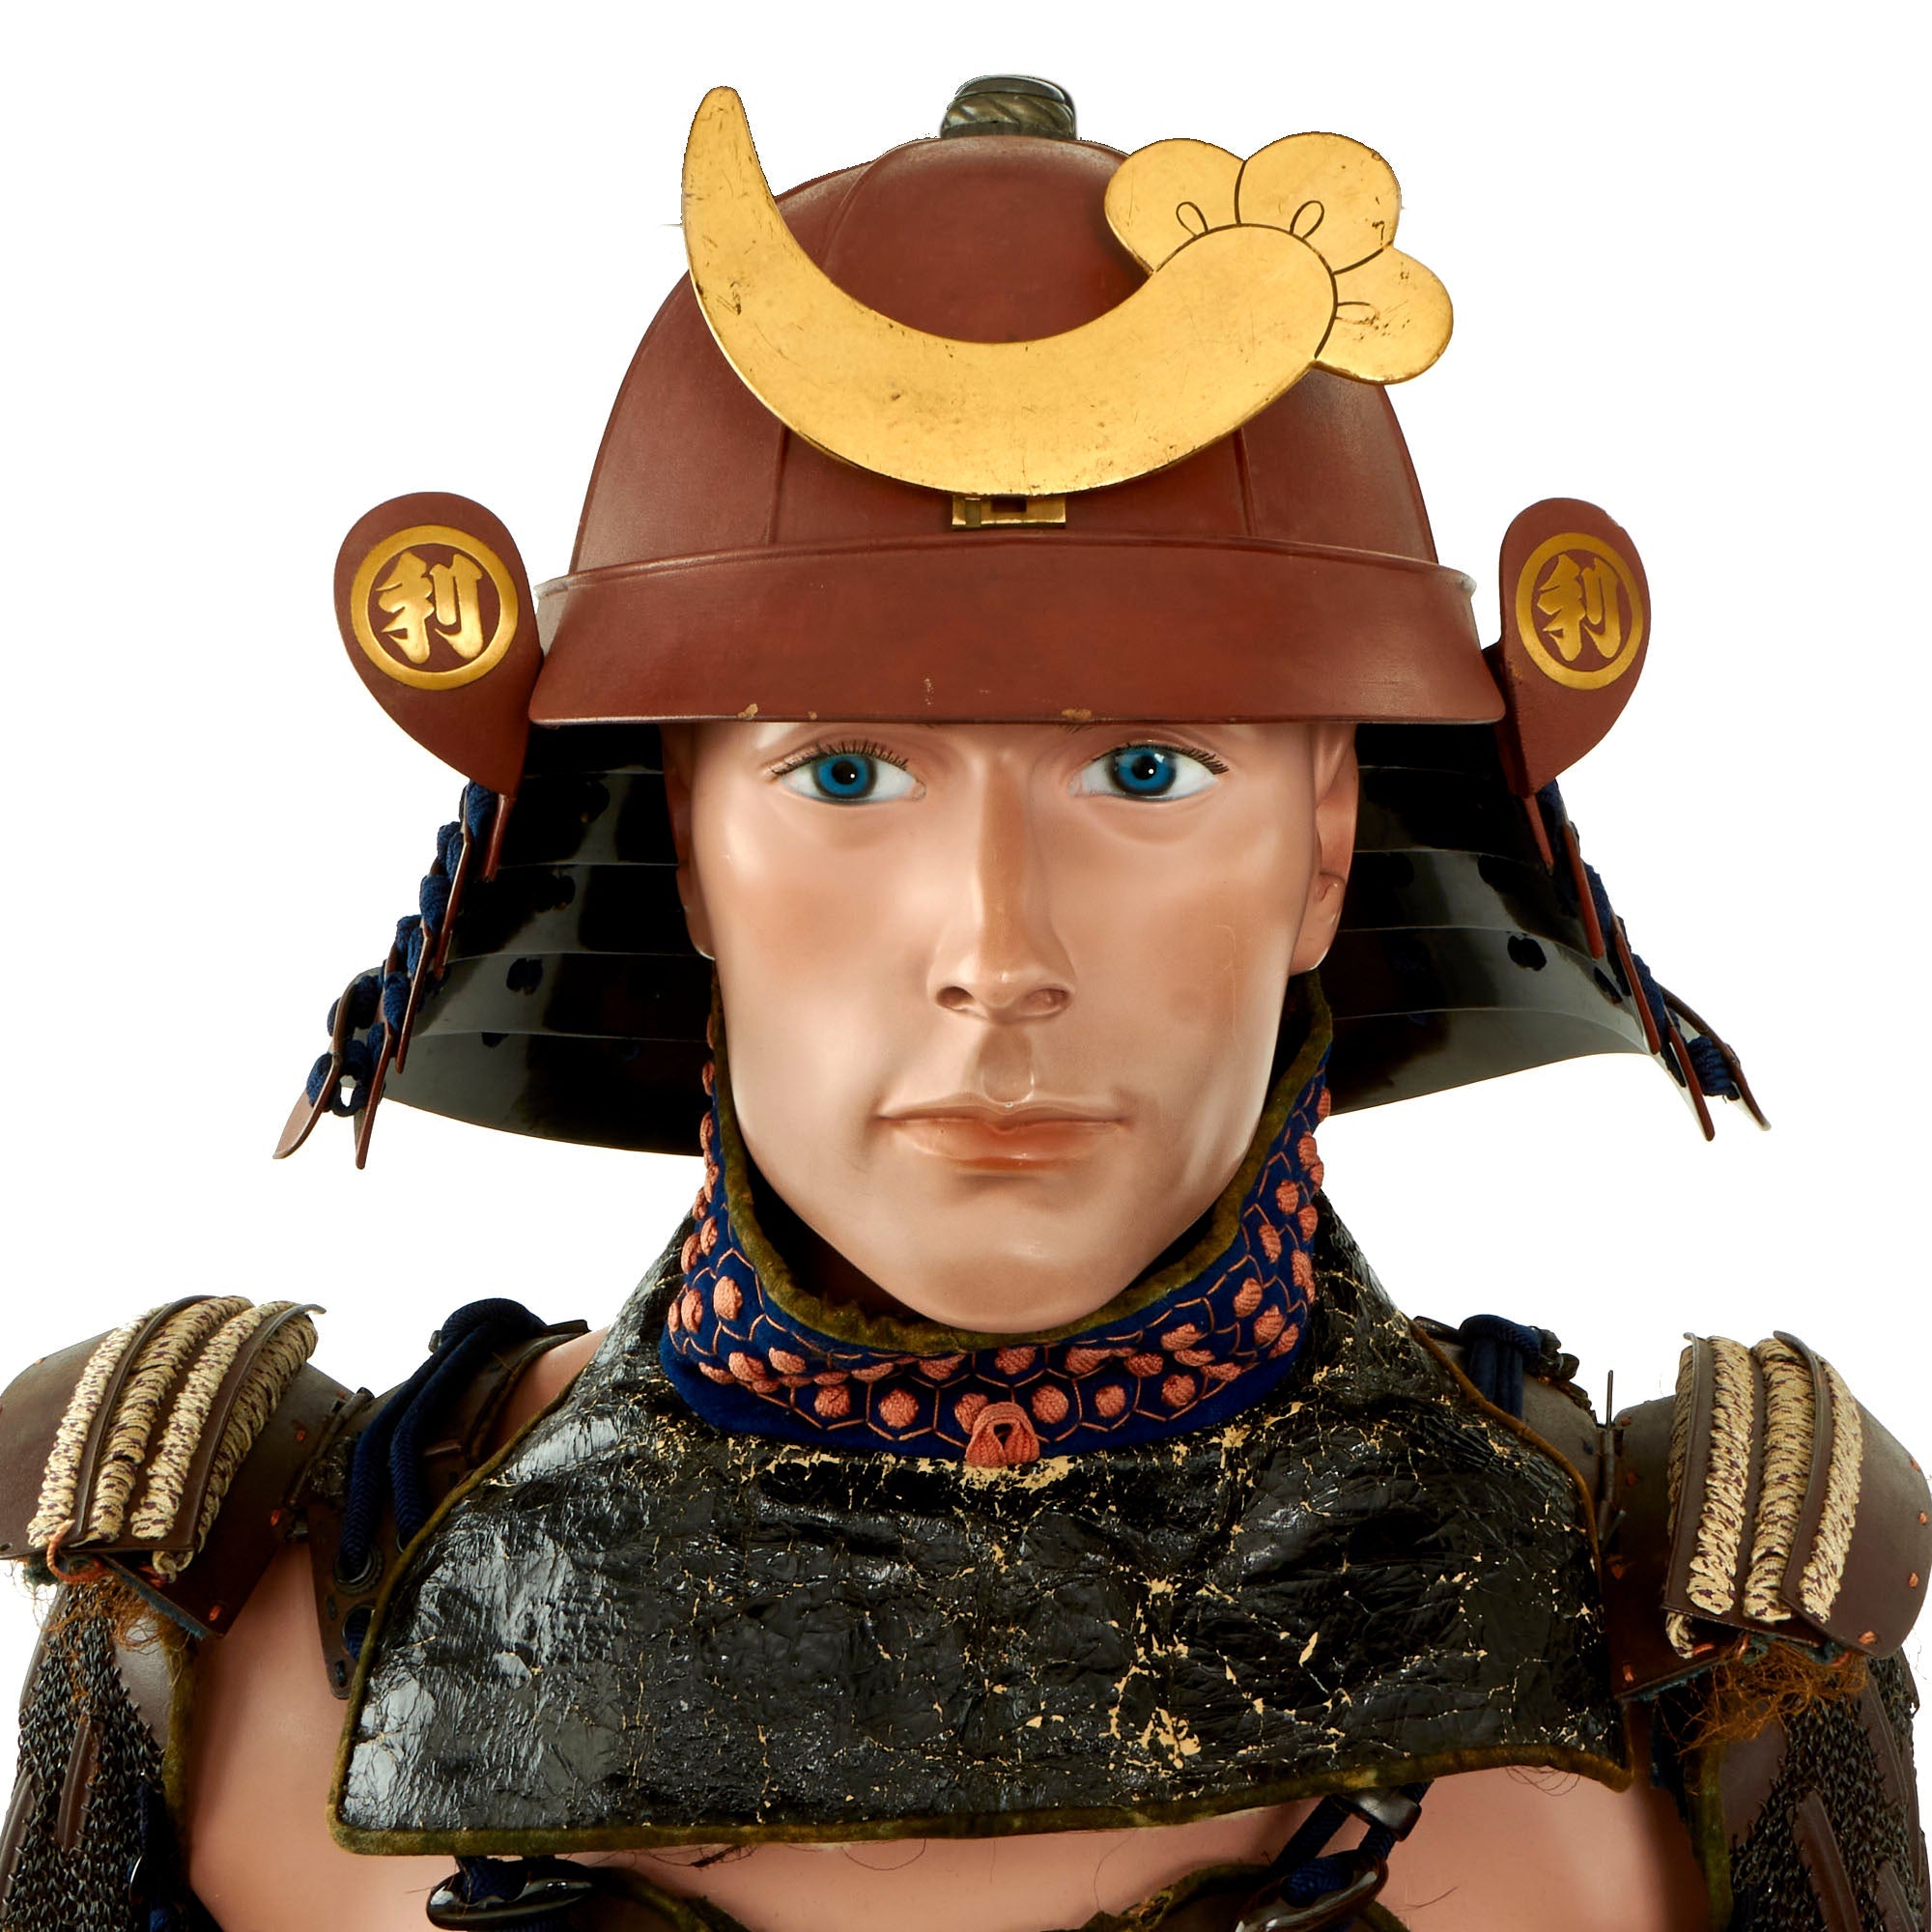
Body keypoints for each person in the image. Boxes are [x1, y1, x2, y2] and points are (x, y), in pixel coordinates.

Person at [1, 76, 1924, 1932]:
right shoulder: (222, 1617)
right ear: (681, 844)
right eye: (845, 773)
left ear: (1328, 840)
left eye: (1148, 770)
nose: (1000, 954)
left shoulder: (1708, 1644)